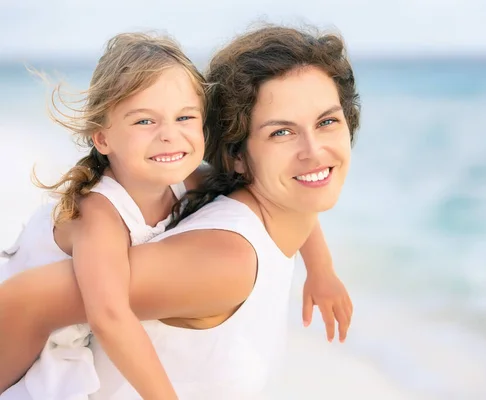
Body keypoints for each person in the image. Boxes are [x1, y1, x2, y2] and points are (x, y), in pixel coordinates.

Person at [0, 23, 359, 399]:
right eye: (144, 120)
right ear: (102, 137)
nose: (169, 135)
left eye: (185, 117)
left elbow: (292, 188)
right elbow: (103, 316)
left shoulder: (190, 179)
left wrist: (321, 270)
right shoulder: (99, 214)